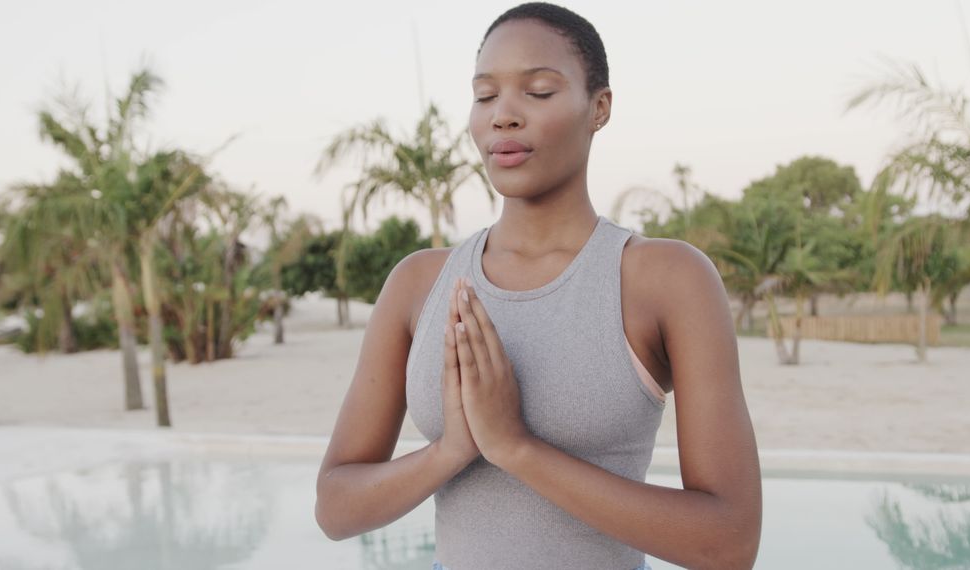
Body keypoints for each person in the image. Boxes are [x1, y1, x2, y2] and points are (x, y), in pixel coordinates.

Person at [315, 3, 762, 568]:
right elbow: (335, 508)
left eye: (539, 91)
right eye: (484, 96)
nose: (502, 115)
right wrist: (452, 450)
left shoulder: (664, 279)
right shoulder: (418, 283)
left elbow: (729, 543)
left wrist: (515, 447)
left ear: (598, 108)